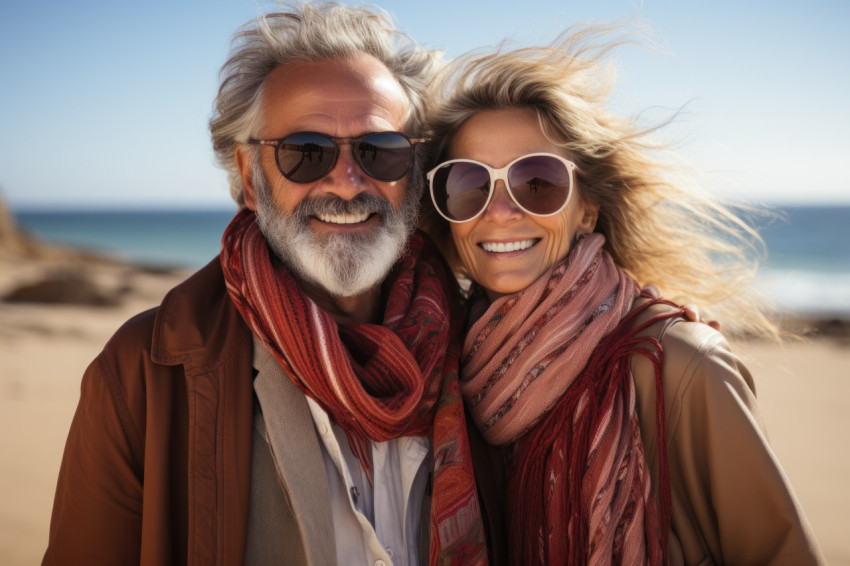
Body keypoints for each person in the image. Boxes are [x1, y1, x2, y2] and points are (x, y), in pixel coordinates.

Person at [42, 3, 495, 565]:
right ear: (250, 177)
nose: (349, 184)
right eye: (306, 153)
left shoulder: (486, 354)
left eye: (381, 153)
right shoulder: (143, 376)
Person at [419, 28, 825, 565]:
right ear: (447, 215)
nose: (500, 211)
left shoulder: (680, 366)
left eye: (537, 181)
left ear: (587, 207)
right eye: (469, 184)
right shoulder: (445, 378)